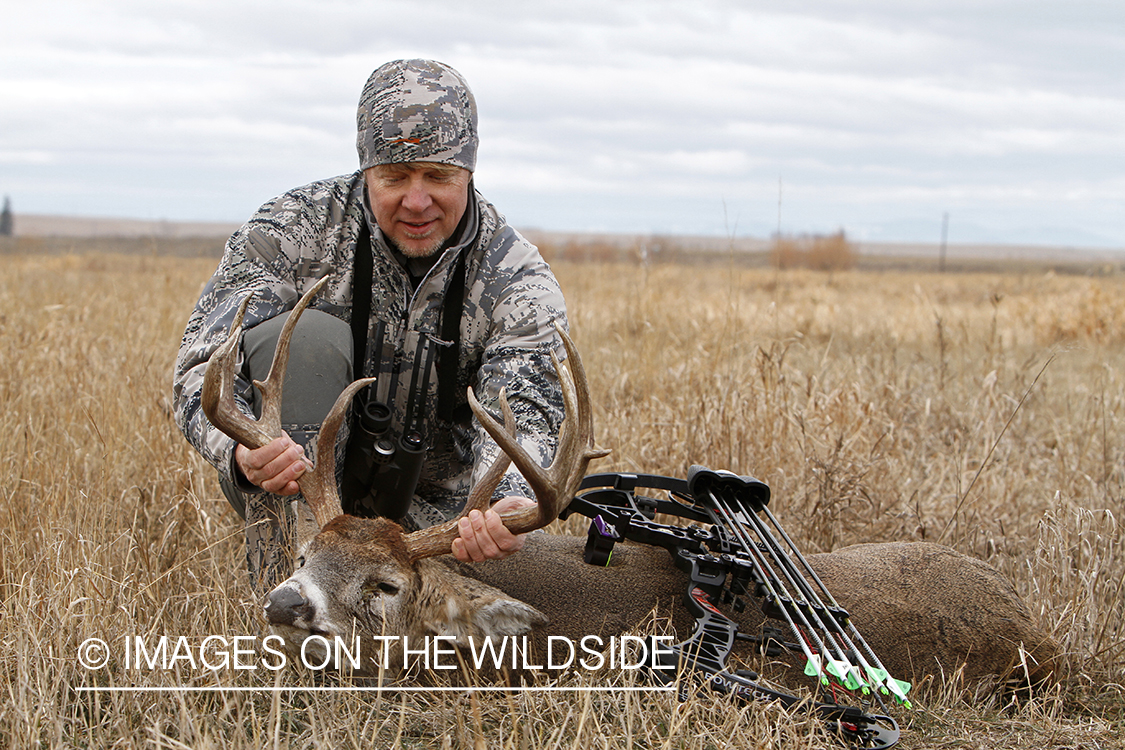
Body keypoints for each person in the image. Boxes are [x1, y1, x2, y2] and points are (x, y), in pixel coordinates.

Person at [173, 59, 567, 593]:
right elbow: (201, 369)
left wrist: (505, 504)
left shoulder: (517, 278)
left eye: (439, 175)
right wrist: (241, 452)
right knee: (308, 339)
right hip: (303, 490)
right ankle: (289, 593)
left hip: (439, 524)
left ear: (470, 171)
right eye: (395, 176)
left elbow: (525, 408)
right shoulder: (291, 231)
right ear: (365, 170)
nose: (417, 200)